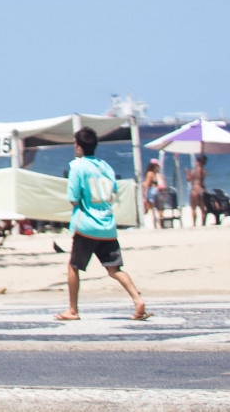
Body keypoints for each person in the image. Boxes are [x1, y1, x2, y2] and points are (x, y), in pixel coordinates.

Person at [55, 127, 148, 322]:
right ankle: (137, 299)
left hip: (86, 226)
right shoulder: (105, 166)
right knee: (114, 269)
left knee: (73, 266)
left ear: (78, 147)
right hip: (107, 225)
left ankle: (73, 310)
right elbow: (113, 190)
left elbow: (73, 198)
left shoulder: (77, 166)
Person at [142, 160, 166, 228]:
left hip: (152, 192)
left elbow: (147, 184)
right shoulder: (159, 175)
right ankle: (161, 225)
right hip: (160, 193)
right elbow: (164, 185)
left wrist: (143, 193)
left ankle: (155, 225)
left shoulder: (150, 174)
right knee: (160, 209)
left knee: (153, 210)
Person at [189, 155, 209, 226]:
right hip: (201, 189)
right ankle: (203, 224)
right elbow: (202, 182)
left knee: (193, 208)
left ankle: (194, 224)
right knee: (203, 209)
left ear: (198, 162)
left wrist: (186, 172)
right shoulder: (204, 171)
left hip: (195, 189)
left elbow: (189, 179)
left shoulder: (194, 171)